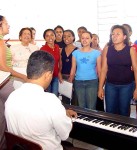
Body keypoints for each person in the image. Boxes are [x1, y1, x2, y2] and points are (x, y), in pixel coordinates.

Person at [5, 50, 86, 150]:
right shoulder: (50, 101)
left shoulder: (12, 96)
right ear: (48, 75)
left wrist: (61, 112)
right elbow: (64, 134)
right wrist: (67, 117)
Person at [98, 25, 137, 117]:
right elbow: (104, 69)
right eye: (113, 34)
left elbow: (136, 70)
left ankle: (123, 130)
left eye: (118, 34)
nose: (114, 36)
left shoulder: (131, 50)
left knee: (124, 112)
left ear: (124, 37)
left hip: (127, 86)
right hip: (110, 85)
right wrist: (100, 87)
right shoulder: (107, 49)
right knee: (110, 111)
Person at [0, 15, 26, 150]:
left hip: (3, 83)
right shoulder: (0, 42)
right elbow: (3, 67)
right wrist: (23, 76)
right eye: (6, 23)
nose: (8, 26)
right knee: (18, 113)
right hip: (4, 83)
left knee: (2, 119)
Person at [69, 31, 101, 110]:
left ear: (91, 39)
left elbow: (100, 71)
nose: (84, 40)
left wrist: (101, 86)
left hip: (92, 82)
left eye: (87, 38)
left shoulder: (97, 53)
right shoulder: (75, 53)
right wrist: (70, 82)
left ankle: (90, 122)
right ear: (80, 39)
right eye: (82, 38)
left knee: (91, 107)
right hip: (78, 82)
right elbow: (73, 69)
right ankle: (82, 122)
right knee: (81, 107)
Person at [59, 29, 78, 105]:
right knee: (64, 101)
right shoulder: (61, 50)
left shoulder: (77, 50)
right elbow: (59, 65)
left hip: (74, 78)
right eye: (64, 36)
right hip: (63, 77)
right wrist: (59, 75)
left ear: (73, 37)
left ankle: (75, 116)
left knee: (75, 101)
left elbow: (78, 66)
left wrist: (72, 77)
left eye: (69, 36)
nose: (66, 38)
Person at [40, 29, 61, 96]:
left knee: (55, 95)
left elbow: (60, 60)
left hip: (55, 76)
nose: (50, 37)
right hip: (46, 77)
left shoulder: (57, 47)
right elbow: (41, 65)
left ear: (55, 36)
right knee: (48, 96)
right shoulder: (43, 49)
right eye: (47, 36)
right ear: (45, 38)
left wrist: (59, 72)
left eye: (52, 35)